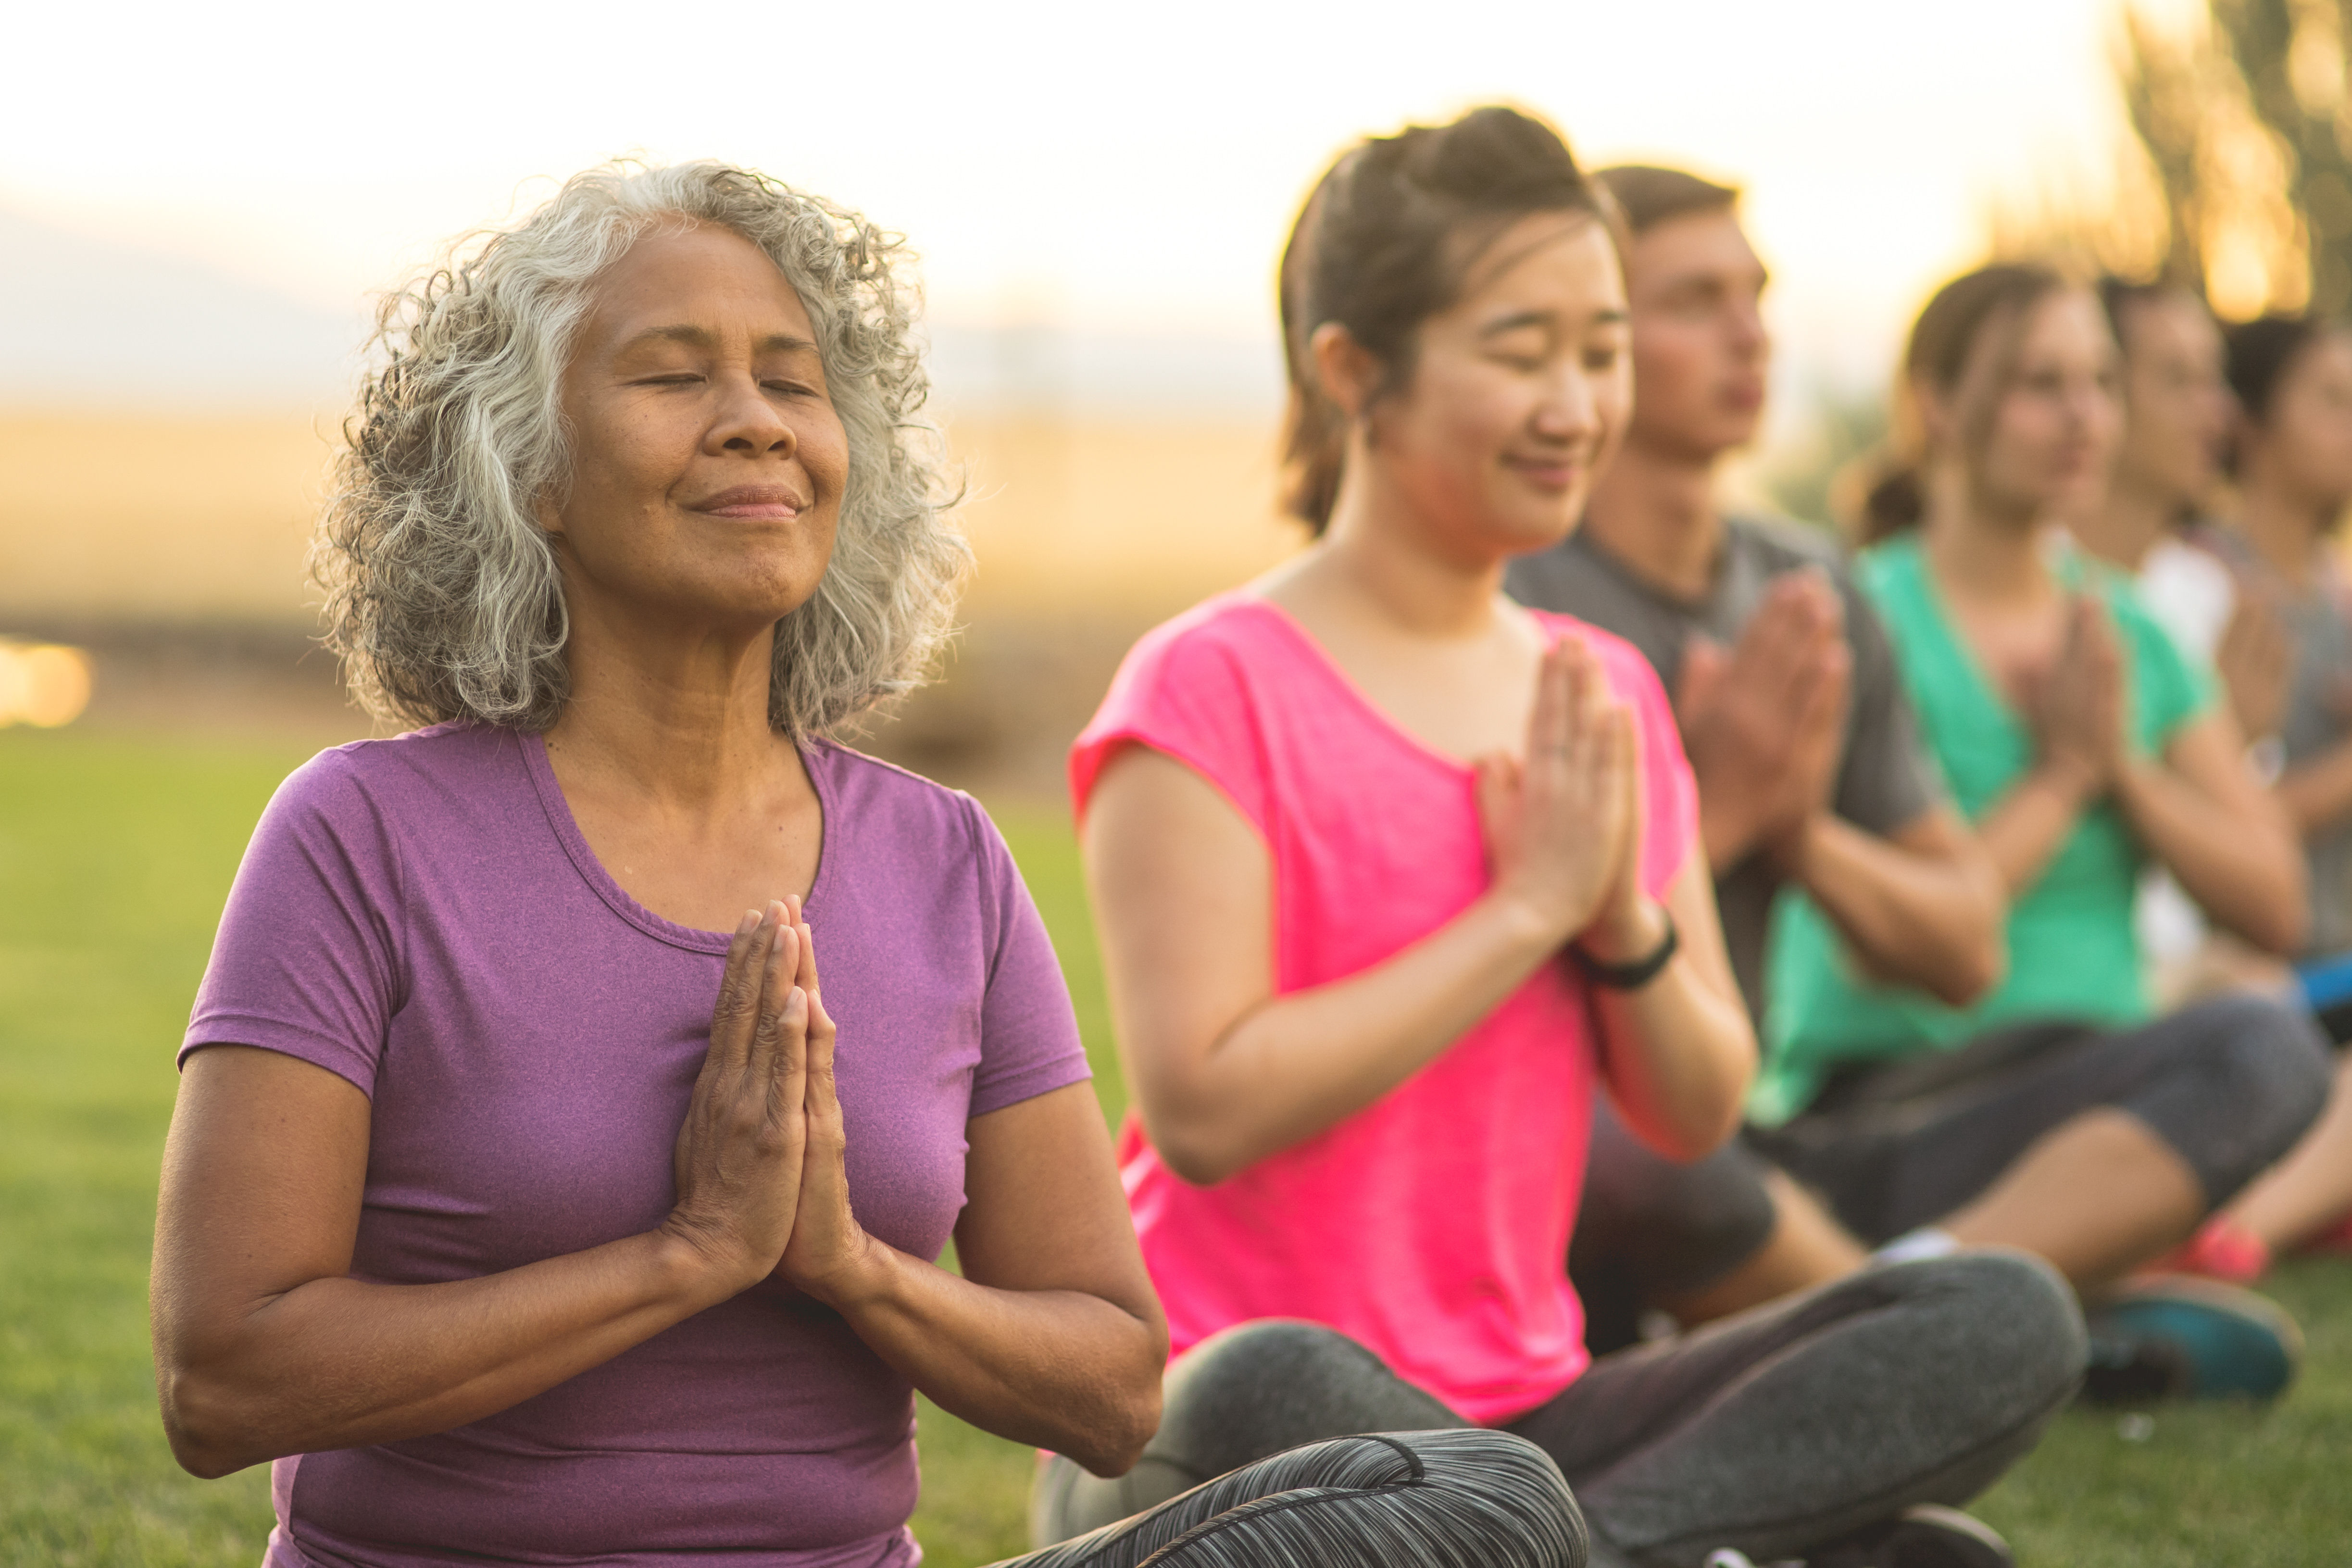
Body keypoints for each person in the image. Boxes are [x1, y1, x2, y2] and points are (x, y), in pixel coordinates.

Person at [150, 161, 1584, 1568]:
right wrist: (685, 1252)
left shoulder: (943, 857)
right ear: (527, 470)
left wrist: (846, 1264)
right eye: (671, 374)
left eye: (793, 379)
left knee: (1477, 1499)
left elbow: (1109, 1382)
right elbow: (225, 1377)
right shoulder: (363, 836)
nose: (756, 423)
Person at [1044, 108, 2084, 1568]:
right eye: (1519, 349)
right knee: (1281, 1372)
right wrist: (1522, 909)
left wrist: (1625, 928)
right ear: (1355, 372)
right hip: (1222, 1429)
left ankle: (1549, 1543)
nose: (1574, 402)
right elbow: (1207, 1104)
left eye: (1597, 352)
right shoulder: (1209, 683)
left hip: (1534, 1404)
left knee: (2000, 1313)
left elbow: (1696, 1108)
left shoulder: (1597, 693)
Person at [1757, 263, 2331, 1402]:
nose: (2085, 418)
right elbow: (1893, 943)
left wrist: (2124, 764)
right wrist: (2066, 774)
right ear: (1938, 403)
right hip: (1898, 1096)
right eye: (2039, 384)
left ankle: (1948, 1304)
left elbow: (2274, 900)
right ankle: (1978, 1304)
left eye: (2100, 384)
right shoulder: (1855, 618)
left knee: (2267, 1037)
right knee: (2249, 1039)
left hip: (2095, 1095)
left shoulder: (2125, 633)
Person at [1505, 165, 2004, 1349]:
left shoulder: (1810, 588)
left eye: (1757, 293)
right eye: (1694, 300)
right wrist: (1713, 813)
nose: (1749, 333)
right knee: (1636, 1152)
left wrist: (1804, 835)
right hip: (1585, 1151)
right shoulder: (1510, 593)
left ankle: (1862, 1297)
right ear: (1595, 343)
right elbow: (1499, 997)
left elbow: (1965, 950)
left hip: (1755, 1134)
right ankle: (1932, 1338)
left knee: (2244, 1051)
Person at [2163, 314, 2352, 1271]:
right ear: (2253, 427)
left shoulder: (2337, 588)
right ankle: (2237, 1239)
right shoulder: (2204, 588)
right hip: (2258, 961)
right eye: (2329, 399)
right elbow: (2231, 824)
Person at [2073, 278, 2292, 1004]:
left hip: (2201, 976)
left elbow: (2263, 885)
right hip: (2081, 1000)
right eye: (2179, 381)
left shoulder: (2205, 597)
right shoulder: (2026, 595)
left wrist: (2226, 747)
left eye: (2216, 379)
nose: (2219, 413)